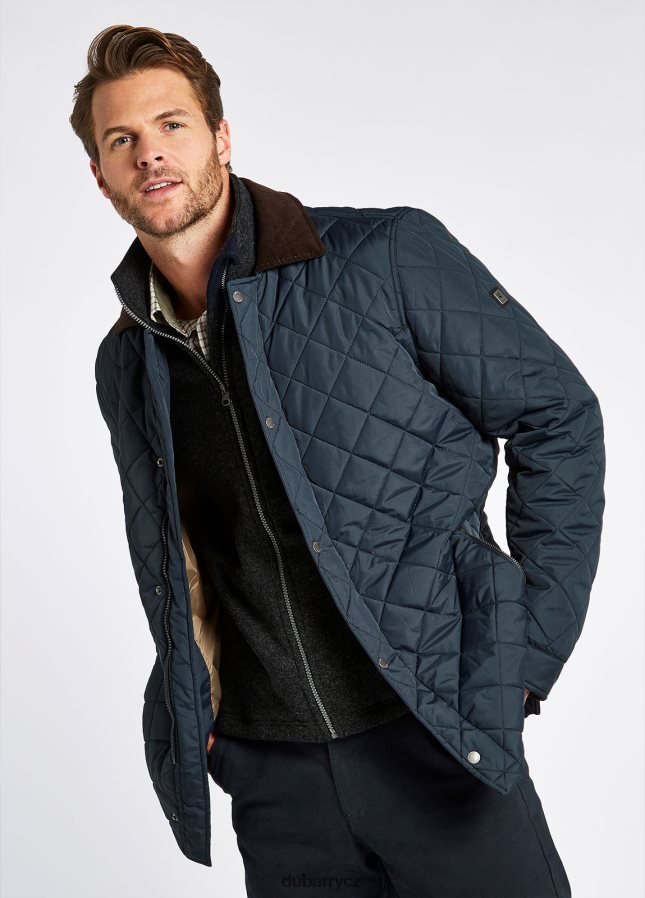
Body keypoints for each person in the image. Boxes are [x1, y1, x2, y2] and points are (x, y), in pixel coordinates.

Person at [71, 23, 605, 898]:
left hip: (438, 739)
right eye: (120, 139)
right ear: (99, 174)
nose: (149, 154)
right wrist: (215, 731)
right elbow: (182, 565)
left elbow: (557, 418)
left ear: (221, 138)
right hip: (277, 786)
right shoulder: (127, 360)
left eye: (171, 125)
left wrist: (526, 654)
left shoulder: (380, 257)